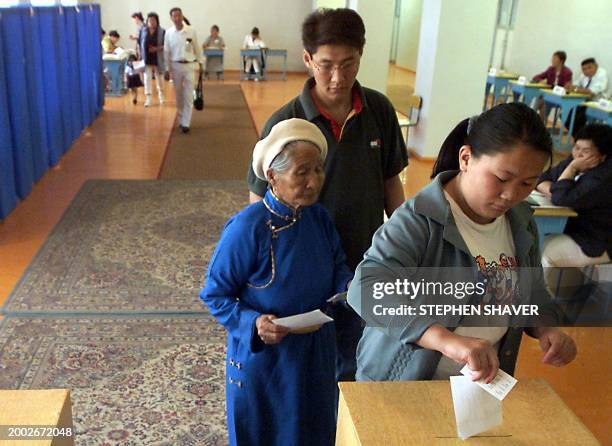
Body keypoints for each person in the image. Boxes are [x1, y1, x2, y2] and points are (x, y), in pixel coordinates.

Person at [347, 102, 577, 382]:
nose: (511, 195)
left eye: (527, 183)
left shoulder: (520, 221)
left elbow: (532, 292)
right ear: (466, 159)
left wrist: (546, 328)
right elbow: (366, 287)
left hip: (477, 387)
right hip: (404, 384)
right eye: (502, 178)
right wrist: (444, 339)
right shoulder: (420, 220)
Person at [247, 8, 408, 382]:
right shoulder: (286, 122)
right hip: (305, 266)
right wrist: (270, 266)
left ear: (360, 56)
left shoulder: (379, 111)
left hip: (365, 260)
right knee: (306, 364)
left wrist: (403, 244)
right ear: (307, 59)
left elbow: (391, 184)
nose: (337, 78)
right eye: (325, 65)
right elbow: (258, 201)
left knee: (359, 359)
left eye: (348, 64)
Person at [201, 118, 353, 446]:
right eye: (302, 172)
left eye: (318, 170)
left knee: (315, 428)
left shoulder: (320, 217)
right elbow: (215, 294)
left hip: (316, 350)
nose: (314, 181)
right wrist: (253, 323)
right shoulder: (247, 228)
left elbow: (339, 266)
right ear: (272, 176)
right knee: (264, 432)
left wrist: (349, 288)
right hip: (267, 357)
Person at [536, 124, 612, 297]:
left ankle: (541, 310)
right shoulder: (578, 159)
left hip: (595, 241)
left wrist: (570, 170)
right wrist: (558, 190)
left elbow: (560, 198)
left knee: (540, 253)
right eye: (576, 147)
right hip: (574, 228)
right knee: (531, 238)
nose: (577, 155)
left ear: (602, 156)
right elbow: (543, 178)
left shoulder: (603, 178)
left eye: (585, 152)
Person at [164, 7, 202, 133]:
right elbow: (166, 52)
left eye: (178, 15)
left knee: (188, 95)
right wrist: (166, 69)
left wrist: (200, 63)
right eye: (174, 16)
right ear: (171, 18)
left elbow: (197, 47)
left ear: (182, 16)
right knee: (179, 95)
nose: (177, 18)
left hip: (190, 66)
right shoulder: (169, 33)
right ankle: (181, 118)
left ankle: (186, 123)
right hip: (175, 66)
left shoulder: (191, 31)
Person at [564, 58, 609, 136]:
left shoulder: (602, 74)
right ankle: (577, 137)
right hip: (586, 102)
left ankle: (580, 137)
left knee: (578, 117)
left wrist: (575, 89)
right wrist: (570, 86)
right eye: (584, 69)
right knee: (571, 114)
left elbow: (591, 92)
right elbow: (576, 84)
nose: (586, 71)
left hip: (599, 104)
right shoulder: (584, 75)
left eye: (589, 68)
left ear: (596, 66)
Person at [531, 50, 572, 120]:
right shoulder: (551, 69)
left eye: (555, 58)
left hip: (559, 97)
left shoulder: (567, 72)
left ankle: (539, 123)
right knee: (539, 98)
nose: (552, 60)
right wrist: (540, 80)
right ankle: (533, 119)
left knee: (544, 102)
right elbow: (536, 77)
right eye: (552, 58)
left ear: (561, 61)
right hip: (548, 94)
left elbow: (566, 87)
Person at [139, 12, 165, 107]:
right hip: (147, 58)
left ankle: (161, 95)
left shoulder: (162, 31)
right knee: (147, 78)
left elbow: (166, 45)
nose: (151, 22)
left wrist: (156, 49)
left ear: (157, 21)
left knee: (160, 78)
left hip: (158, 58)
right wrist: (140, 55)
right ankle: (148, 98)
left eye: (154, 20)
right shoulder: (143, 30)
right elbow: (139, 44)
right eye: (149, 20)